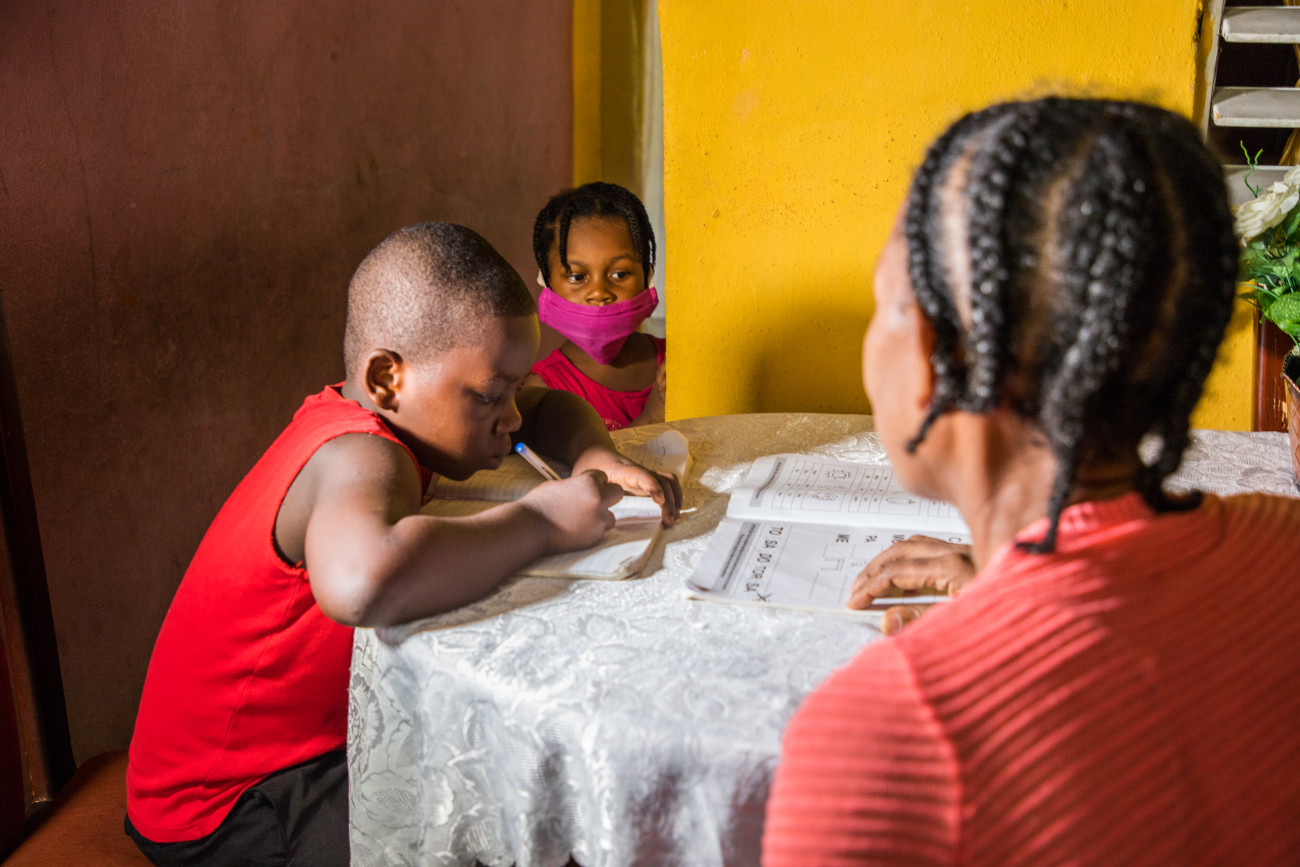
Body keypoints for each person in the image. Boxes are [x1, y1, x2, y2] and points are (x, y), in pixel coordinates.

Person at [763, 97, 1300, 865]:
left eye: (884, 304)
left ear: (934, 357)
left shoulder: (885, 741)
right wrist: (1006, 591)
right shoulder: (1286, 542)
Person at [124, 223, 681, 866]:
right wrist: (541, 523)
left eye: (511, 390)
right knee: (483, 828)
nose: (511, 418)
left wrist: (596, 455)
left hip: (301, 748)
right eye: (489, 397)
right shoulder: (357, 453)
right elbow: (363, 582)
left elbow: (546, 408)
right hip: (230, 802)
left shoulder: (392, 417)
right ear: (388, 378)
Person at [525, 181, 666, 429]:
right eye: (577, 277)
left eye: (619, 274)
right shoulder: (543, 392)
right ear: (547, 282)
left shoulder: (674, 363)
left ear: (647, 276)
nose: (599, 293)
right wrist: (651, 418)